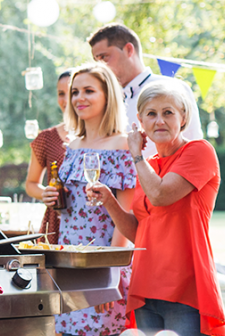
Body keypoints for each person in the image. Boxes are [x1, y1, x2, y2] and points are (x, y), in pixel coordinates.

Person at [87, 79, 225, 336]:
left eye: (168, 113)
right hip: (145, 287)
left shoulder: (198, 151)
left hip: (184, 287)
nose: (159, 121)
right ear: (141, 121)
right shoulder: (149, 165)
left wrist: (136, 156)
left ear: (182, 117)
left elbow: (161, 195)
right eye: (151, 114)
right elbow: (141, 232)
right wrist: (109, 200)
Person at [41, 64, 136, 336]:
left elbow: (125, 222)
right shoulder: (72, 146)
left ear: (108, 96)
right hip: (69, 263)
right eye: (75, 92)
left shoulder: (122, 145)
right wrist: (53, 197)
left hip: (103, 266)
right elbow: (71, 209)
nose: (79, 98)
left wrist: (109, 279)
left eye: (89, 91)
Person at [89, 23, 203, 158]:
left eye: (104, 57)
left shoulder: (172, 87)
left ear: (129, 50)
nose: (100, 67)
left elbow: (195, 147)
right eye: (96, 60)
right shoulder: (109, 100)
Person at [25, 70, 72, 242]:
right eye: (61, 94)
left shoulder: (100, 138)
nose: (65, 100)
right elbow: (31, 184)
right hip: (56, 221)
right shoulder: (46, 138)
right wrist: (46, 193)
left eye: (72, 92)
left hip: (92, 222)